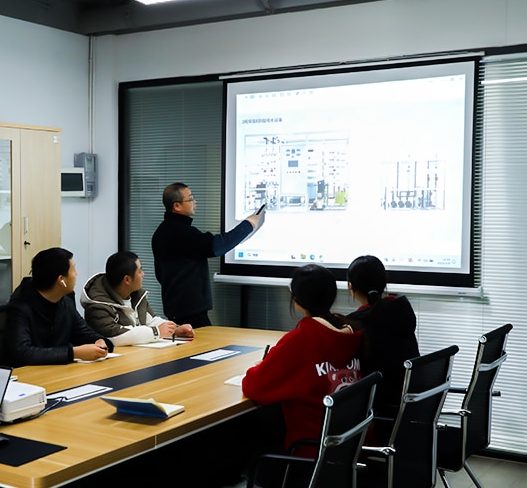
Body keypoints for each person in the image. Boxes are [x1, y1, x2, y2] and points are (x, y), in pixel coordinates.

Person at [242, 264, 362, 457]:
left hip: (311, 452)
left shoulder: (299, 341)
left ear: (297, 300)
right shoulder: (349, 335)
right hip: (351, 449)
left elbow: (252, 387)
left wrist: (263, 366)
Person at [152, 183, 263, 327]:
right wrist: (248, 224)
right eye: (190, 199)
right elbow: (218, 246)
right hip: (189, 312)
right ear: (177, 206)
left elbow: (160, 274)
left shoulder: (164, 231)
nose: (194, 202)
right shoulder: (180, 233)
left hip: (180, 308)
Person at [5, 247, 114, 366]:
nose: (76, 273)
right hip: (29, 373)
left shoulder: (65, 300)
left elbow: (83, 332)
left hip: (60, 370)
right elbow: (23, 352)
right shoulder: (20, 307)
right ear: (61, 280)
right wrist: (73, 353)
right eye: (73, 269)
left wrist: (99, 341)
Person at [344, 254, 420, 418]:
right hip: (409, 407)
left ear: (351, 286)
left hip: (378, 410)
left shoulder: (355, 326)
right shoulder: (400, 312)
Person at [80, 251, 194, 346]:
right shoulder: (97, 305)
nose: (143, 274)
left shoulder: (136, 295)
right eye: (139, 271)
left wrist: (174, 329)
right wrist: (157, 332)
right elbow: (114, 336)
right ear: (127, 280)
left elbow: (151, 321)